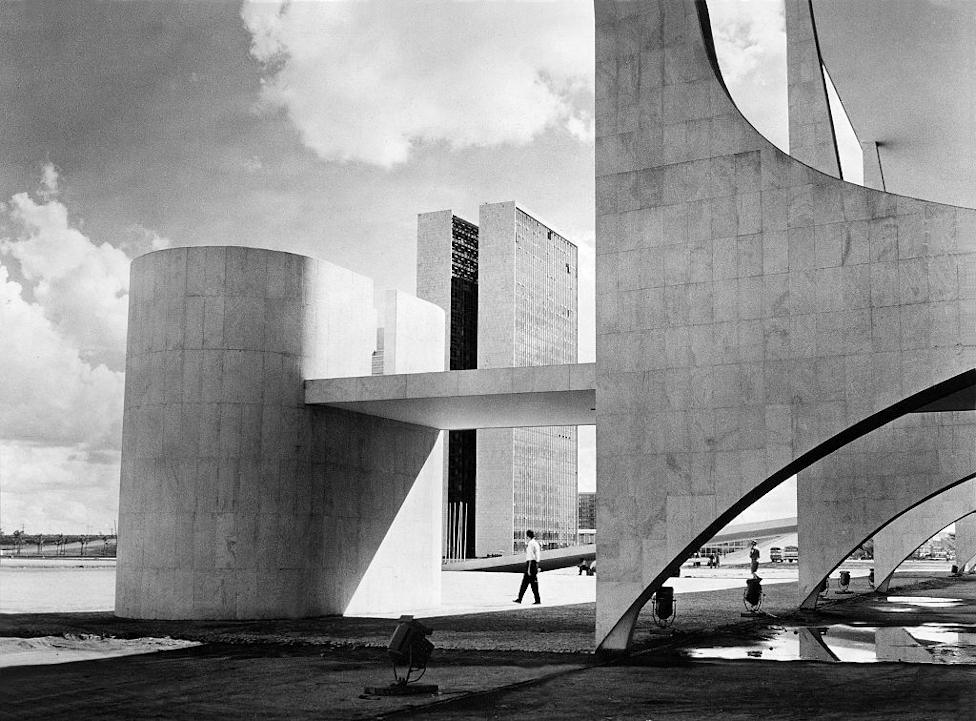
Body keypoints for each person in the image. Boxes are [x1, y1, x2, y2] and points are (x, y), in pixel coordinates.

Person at [514, 530, 542, 605]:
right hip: (535, 563)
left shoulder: (530, 544)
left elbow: (530, 557)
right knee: (532, 584)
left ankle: (521, 599)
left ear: (528, 536)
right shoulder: (536, 543)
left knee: (527, 583)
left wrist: (529, 569)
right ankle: (522, 598)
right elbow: (537, 556)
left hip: (530, 564)